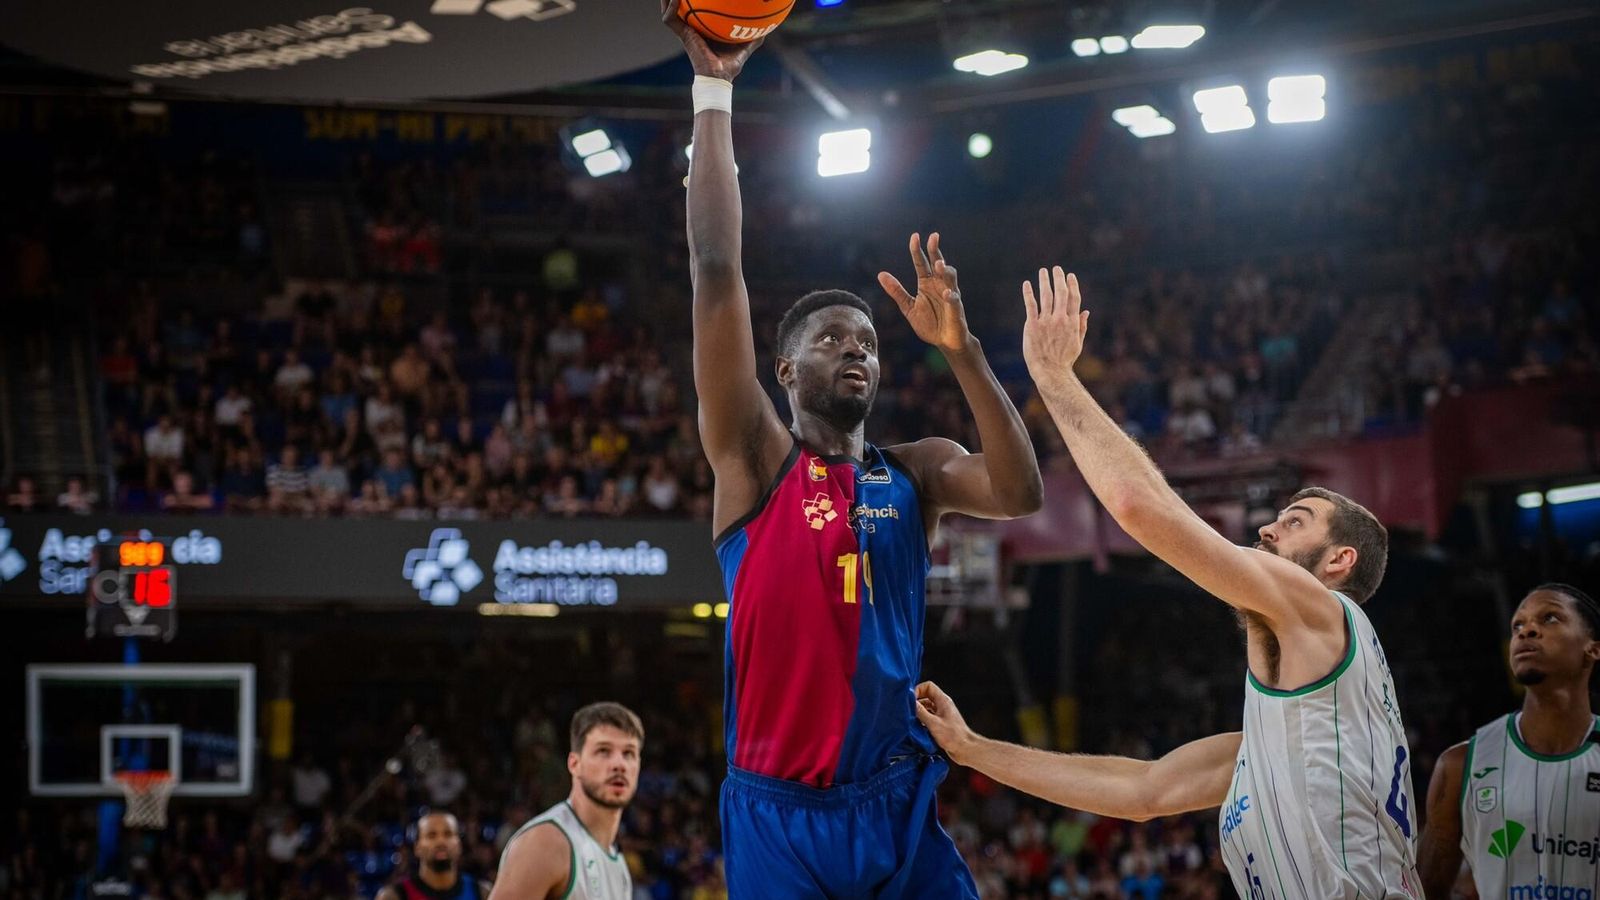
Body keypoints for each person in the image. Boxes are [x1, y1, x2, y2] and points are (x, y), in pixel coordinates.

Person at [662, 5, 1043, 897]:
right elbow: (715, 269)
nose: (857, 350)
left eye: (868, 341)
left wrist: (963, 350)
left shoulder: (917, 470)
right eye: (832, 339)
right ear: (785, 369)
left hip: (895, 798)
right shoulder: (756, 459)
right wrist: (713, 91)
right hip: (779, 813)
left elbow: (1020, 492)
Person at [916, 267, 1420, 898]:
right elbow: (1141, 791)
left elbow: (1139, 507)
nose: (1267, 529)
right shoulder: (1292, 735)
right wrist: (970, 748)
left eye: (1295, 522)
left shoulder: (1322, 608)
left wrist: (1053, 377)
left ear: (1339, 561)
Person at [1418, 583, 1600, 900]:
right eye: (1518, 625)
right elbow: (1426, 892)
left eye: (1550, 618)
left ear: (1593, 649)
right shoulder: (1460, 766)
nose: (1527, 631)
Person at [490, 703, 640, 900]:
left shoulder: (619, 866)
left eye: (628, 753)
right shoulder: (545, 843)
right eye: (604, 751)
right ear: (574, 764)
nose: (619, 764)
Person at [377, 811, 490, 900]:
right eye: (431, 835)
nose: (441, 842)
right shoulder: (393, 896)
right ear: (417, 847)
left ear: (459, 845)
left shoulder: (483, 893)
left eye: (448, 834)